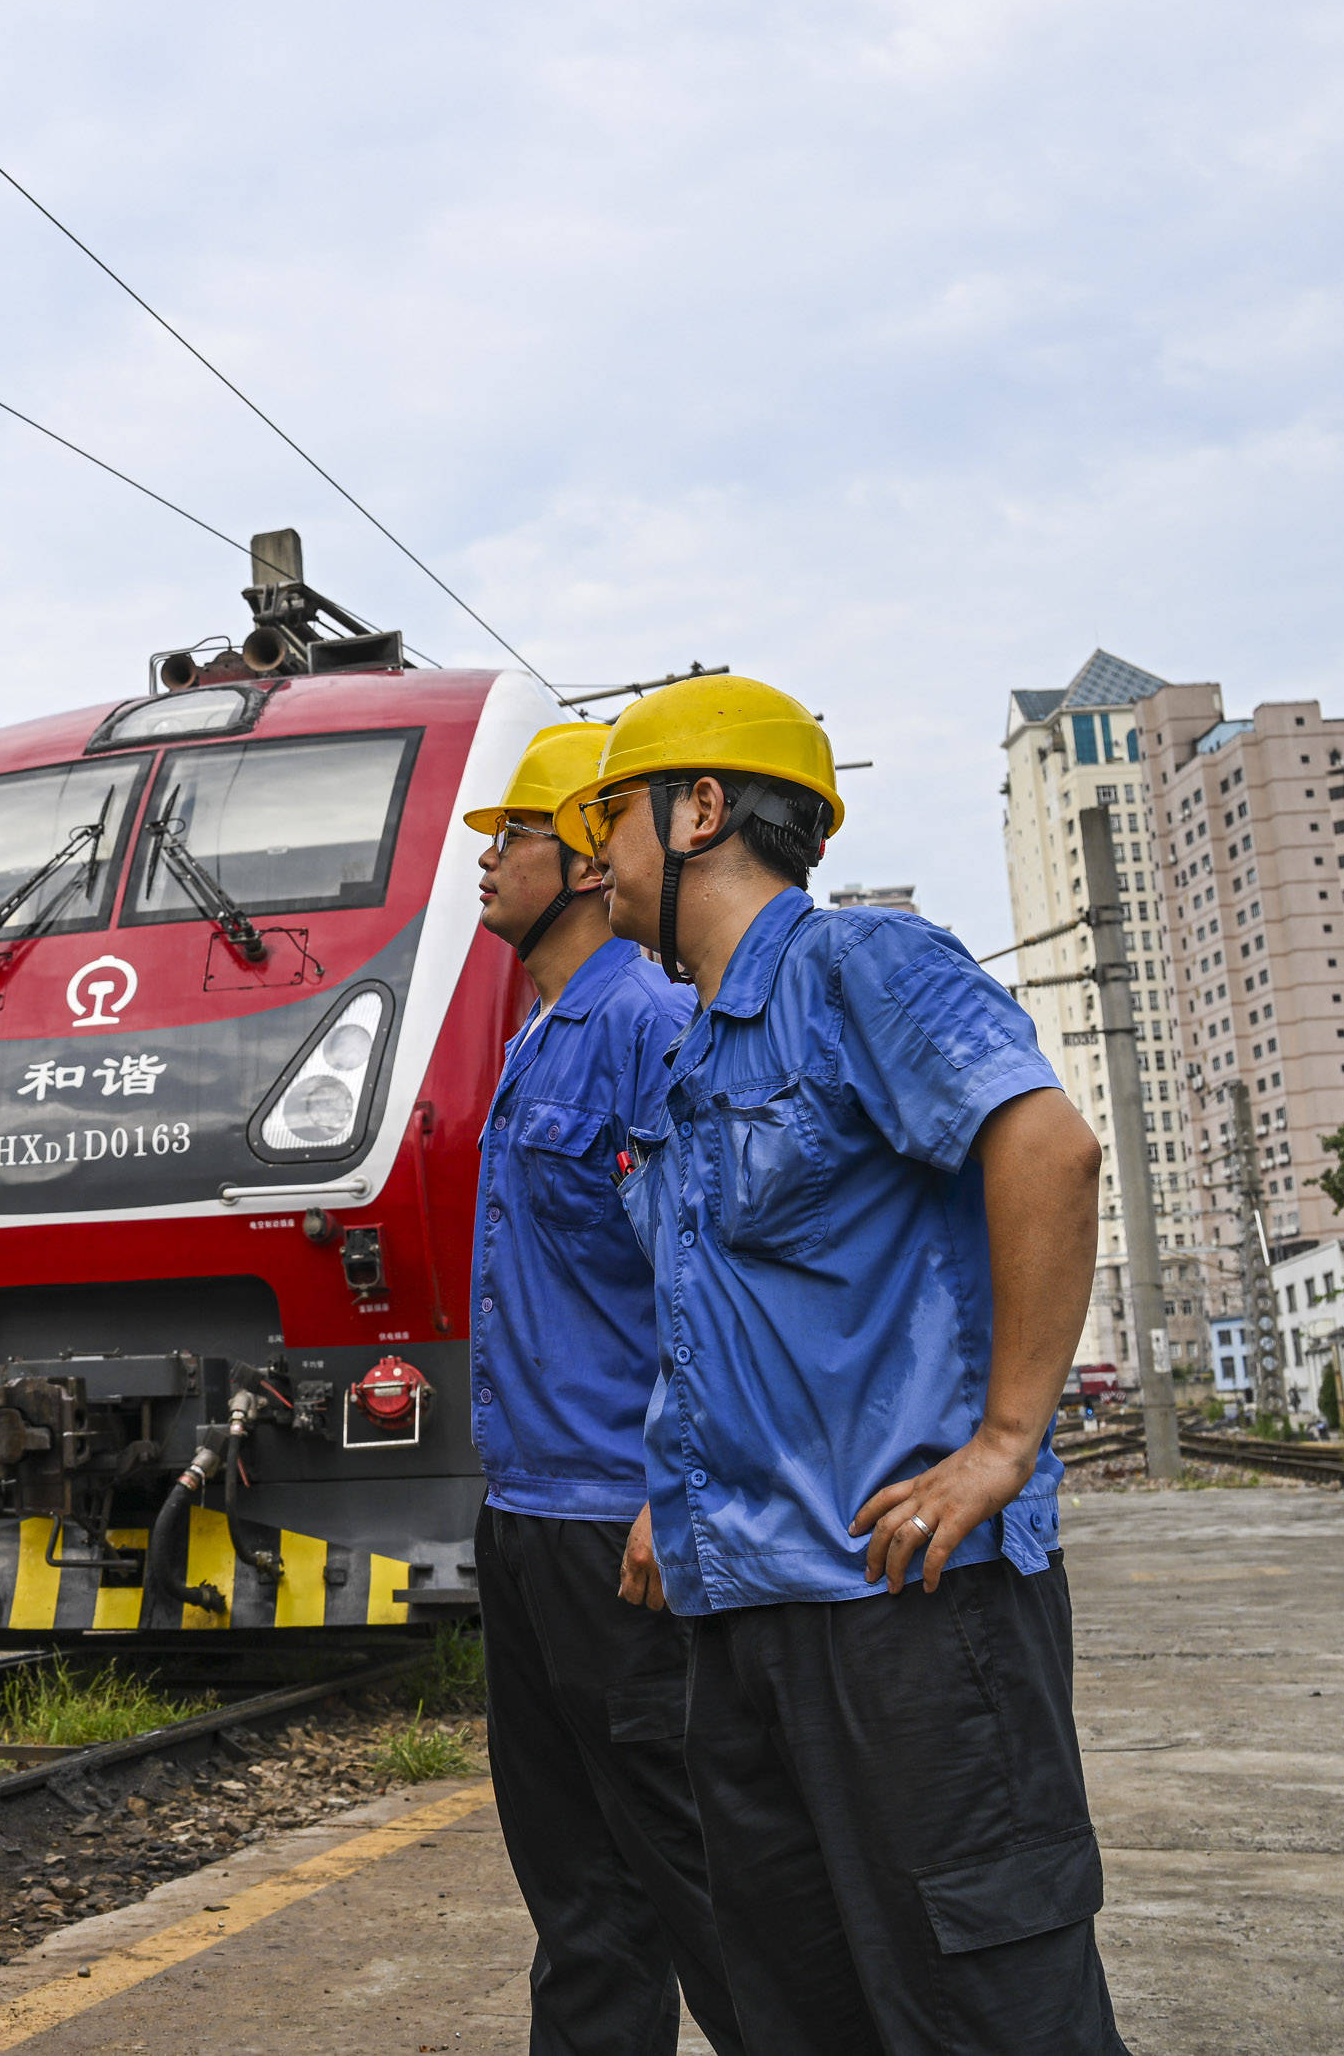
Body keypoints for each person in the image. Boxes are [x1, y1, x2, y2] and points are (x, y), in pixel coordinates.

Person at [578, 675, 1123, 2056]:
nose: (598, 857)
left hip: (911, 1611)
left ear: (699, 809)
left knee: (987, 2013)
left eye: (612, 819)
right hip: (746, 1614)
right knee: (794, 2012)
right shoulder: (697, 1051)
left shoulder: (858, 969)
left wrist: (1004, 1441)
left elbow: (1050, 1146)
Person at [462, 722, 740, 2056]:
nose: (488, 859)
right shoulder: (536, 1037)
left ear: (581, 853)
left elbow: (706, 1275)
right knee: (577, 1895)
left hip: (614, 1531)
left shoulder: (647, 1026)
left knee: (694, 1885)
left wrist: (668, 1491)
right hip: (524, 1519)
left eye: (510, 835)